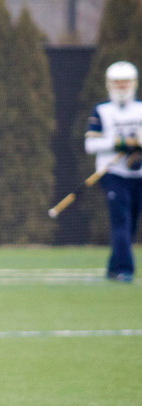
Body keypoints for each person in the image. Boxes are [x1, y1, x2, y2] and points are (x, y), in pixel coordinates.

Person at [85, 60, 142, 283]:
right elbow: (91, 145)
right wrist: (120, 144)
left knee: (131, 224)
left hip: (138, 175)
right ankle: (124, 270)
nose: (121, 86)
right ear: (109, 84)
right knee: (121, 221)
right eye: (116, 82)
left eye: (125, 82)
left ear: (133, 83)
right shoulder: (101, 111)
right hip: (112, 174)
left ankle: (113, 267)